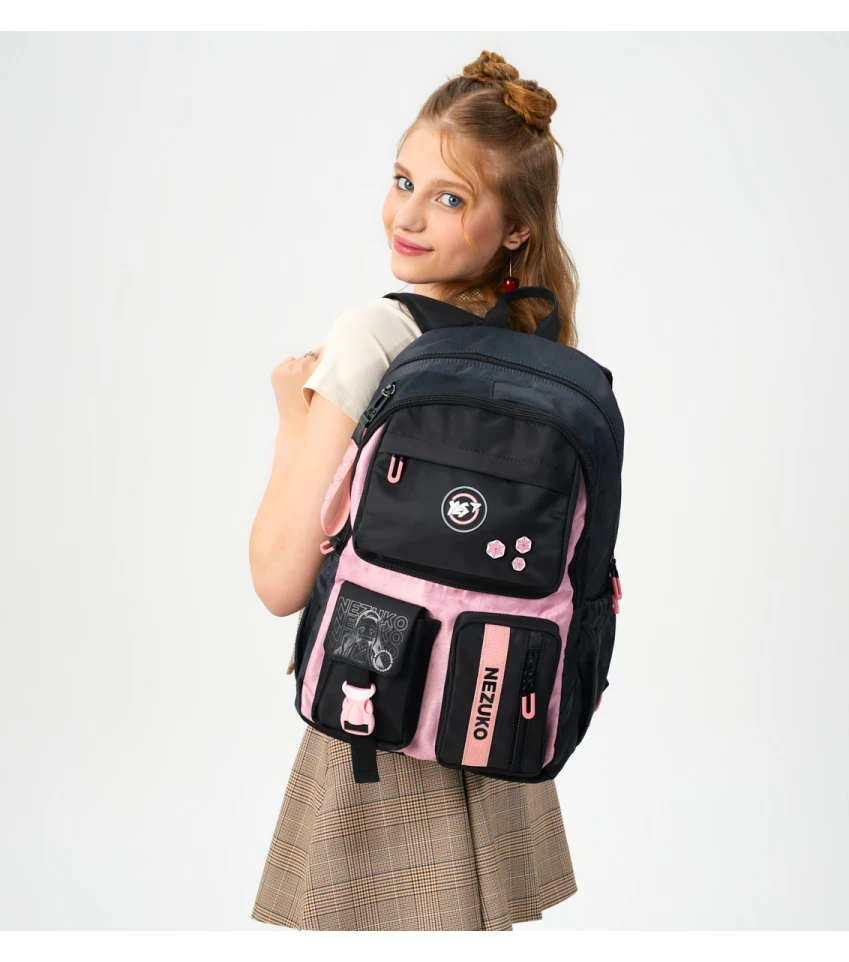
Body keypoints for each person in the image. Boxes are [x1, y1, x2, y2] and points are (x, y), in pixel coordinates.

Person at [249, 50, 581, 936]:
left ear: (515, 228)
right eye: (403, 181)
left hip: (379, 716)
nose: (407, 214)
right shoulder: (538, 348)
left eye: (450, 198)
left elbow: (280, 580)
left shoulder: (372, 334)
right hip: (495, 713)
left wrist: (291, 423)